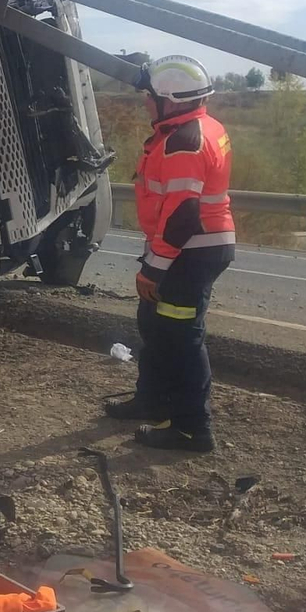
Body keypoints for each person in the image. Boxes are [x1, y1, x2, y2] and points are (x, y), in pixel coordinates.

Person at [105, 55, 234, 453]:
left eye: (151, 95)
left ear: (172, 100)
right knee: (155, 323)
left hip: (189, 252)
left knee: (180, 336)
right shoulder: (196, 127)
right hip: (188, 249)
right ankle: (153, 399)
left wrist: (153, 269)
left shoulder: (184, 143)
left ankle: (193, 429)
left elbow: (183, 216)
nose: (145, 101)